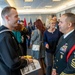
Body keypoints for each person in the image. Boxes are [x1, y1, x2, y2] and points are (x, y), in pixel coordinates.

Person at [0, 6, 32, 75]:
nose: (18, 18)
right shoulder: (5, 36)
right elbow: (12, 63)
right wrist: (26, 61)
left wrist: (19, 57)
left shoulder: (8, 34)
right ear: (7, 18)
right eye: (16, 16)